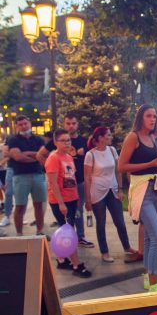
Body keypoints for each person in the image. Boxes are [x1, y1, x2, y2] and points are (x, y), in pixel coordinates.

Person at [118, 104, 157, 292]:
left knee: (149, 237)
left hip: (156, 189)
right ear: (140, 118)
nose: (153, 119)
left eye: (155, 116)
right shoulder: (133, 137)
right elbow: (121, 166)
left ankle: (148, 278)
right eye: (149, 116)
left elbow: (152, 163)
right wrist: (150, 163)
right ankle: (154, 283)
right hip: (142, 191)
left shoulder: (151, 137)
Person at [37, 113, 94, 248]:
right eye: (68, 123)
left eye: (73, 123)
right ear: (64, 124)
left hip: (78, 182)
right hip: (61, 187)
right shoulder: (55, 145)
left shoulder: (83, 141)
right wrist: (53, 171)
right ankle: (65, 247)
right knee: (65, 218)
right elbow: (40, 155)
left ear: (78, 124)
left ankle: (79, 237)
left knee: (77, 212)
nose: (71, 126)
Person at [84, 126, 137, 262]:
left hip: (113, 191)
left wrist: (120, 189)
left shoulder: (112, 150)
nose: (111, 137)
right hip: (97, 192)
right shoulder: (90, 155)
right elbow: (87, 178)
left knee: (120, 221)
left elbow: (118, 171)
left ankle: (127, 247)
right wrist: (88, 199)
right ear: (101, 138)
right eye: (108, 135)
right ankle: (104, 252)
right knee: (101, 223)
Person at [45, 129, 92, 277]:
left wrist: (76, 199)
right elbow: (53, 184)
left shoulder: (68, 157)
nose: (67, 143)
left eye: (68, 140)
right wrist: (61, 203)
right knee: (69, 233)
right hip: (60, 201)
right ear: (55, 142)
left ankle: (61, 259)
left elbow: (72, 179)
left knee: (66, 230)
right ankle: (76, 265)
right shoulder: (53, 158)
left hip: (71, 199)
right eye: (63, 140)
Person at [8, 116, 47, 236]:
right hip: (20, 176)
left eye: (25, 123)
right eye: (20, 124)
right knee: (20, 206)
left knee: (39, 205)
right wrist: (36, 156)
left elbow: (43, 155)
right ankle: (19, 234)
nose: (23, 126)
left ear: (29, 123)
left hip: (38, 174)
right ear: (16, 126)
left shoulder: (38, 139)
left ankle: (40, 231)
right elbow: (17, 157)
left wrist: (26, 154)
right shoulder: (13, 140)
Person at [0, 141, 12, 228]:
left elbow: (8, 156)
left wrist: (1, 163)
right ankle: (3, 202)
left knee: (6, 190)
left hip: (4, 170)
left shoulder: (2, 146)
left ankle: (8, 205)